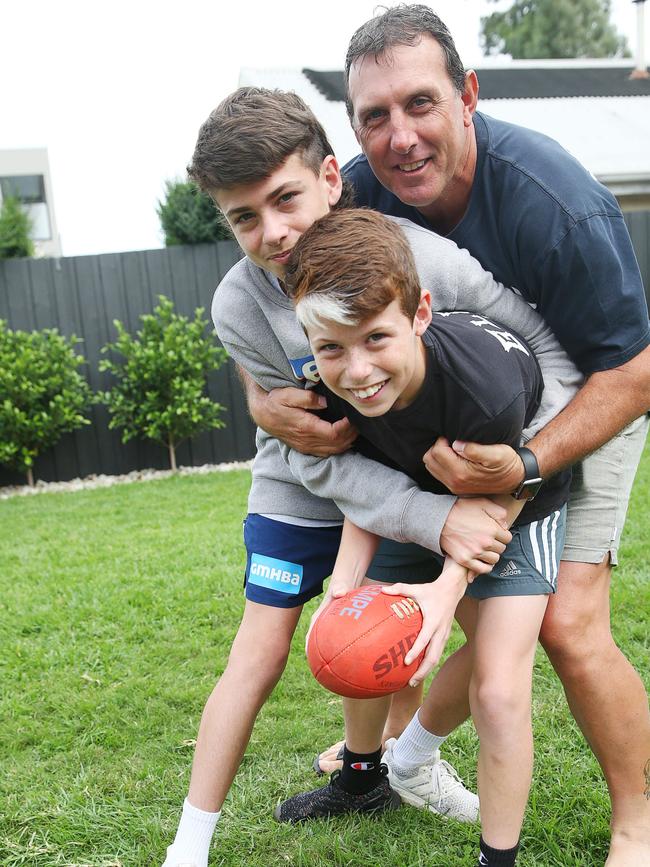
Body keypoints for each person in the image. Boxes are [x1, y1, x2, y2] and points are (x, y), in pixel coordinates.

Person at [161, 87, 582, 867]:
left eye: (284, 198)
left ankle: (406, 758)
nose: (272, 231)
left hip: (437, 469)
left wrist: (526, 458)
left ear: (329, 175)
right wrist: (271, 411)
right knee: (264, 647)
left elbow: (544, 351)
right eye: (243, 216)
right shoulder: (238, 304)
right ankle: (193, 843)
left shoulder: (415, 257)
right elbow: (302, 446)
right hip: (316, 477)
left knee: (477, 648)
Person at [333, 6, 650, 865]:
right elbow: (273, 277)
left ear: (468, 95)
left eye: (421, 103)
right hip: (459, 413)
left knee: (569, 623)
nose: (399, 137)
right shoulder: (359, 194)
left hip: (587, 398)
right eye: (375, 116)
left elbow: (634, 371)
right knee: (486, 607)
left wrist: (529, 462)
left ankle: (637, 821)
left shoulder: (557, 205)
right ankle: (406, 755)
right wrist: (262, 396)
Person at [277, 206, 577, 865]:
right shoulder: (328, 381)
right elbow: (364, 477)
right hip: (420, 493)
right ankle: (364, 776)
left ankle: (483, 843)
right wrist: (344, 588)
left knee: (499, 688)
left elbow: (499, 492)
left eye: (375, 338)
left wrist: (446, 589)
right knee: (364, 627)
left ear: (420, 314)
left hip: (518, 493)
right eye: (331, 346)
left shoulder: (483, 388)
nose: (355, 370)